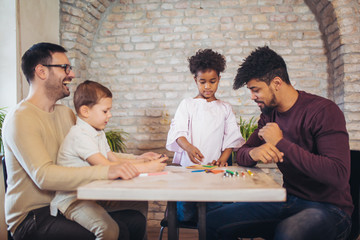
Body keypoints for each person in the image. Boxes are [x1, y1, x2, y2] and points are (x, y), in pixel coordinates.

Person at [2, 42, 167, 240]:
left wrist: (139, 159)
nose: (71, 74)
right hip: (35, 216)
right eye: (65, 68)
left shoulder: (65, 114)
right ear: (41, 71)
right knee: (117, 231)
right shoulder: (21, 118)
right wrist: (109, 170)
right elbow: (44, 176)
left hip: (68, 201)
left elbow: (91, 151)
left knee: (135, 219)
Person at [206, 46, 353, 240]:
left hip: (330, 210)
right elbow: (242, 151)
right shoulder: (270, 115)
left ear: (276, 83)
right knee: (211, 221)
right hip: (288, 201)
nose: (252, 97)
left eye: (255, 89)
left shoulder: (324, 111)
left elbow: (338, 174)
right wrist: (253, 153)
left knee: (290, 232)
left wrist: (281, 143)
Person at [50, 80, 167, 240]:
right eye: (105, 111)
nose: (110, 115)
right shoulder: (79, 135)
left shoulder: (98, 132)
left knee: (138, 204)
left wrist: (144, 161)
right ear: (85, 111)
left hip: (93, 196)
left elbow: (113, 159)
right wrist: (148, 168)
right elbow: (107, 167)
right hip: (74, 200)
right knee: (108, 229)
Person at [166, 49, 244, 223]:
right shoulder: (187, 105)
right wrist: (189, 147)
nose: (207, 86)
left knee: (214, 214)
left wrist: (223, 159)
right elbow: (178, 132)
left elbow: (231, 138)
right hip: (189, 169)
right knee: (186, 214)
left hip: (214, 171)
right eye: (202, 82)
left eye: (212, 81)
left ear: (219, 80)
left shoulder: (225, 108)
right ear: (195, 80)